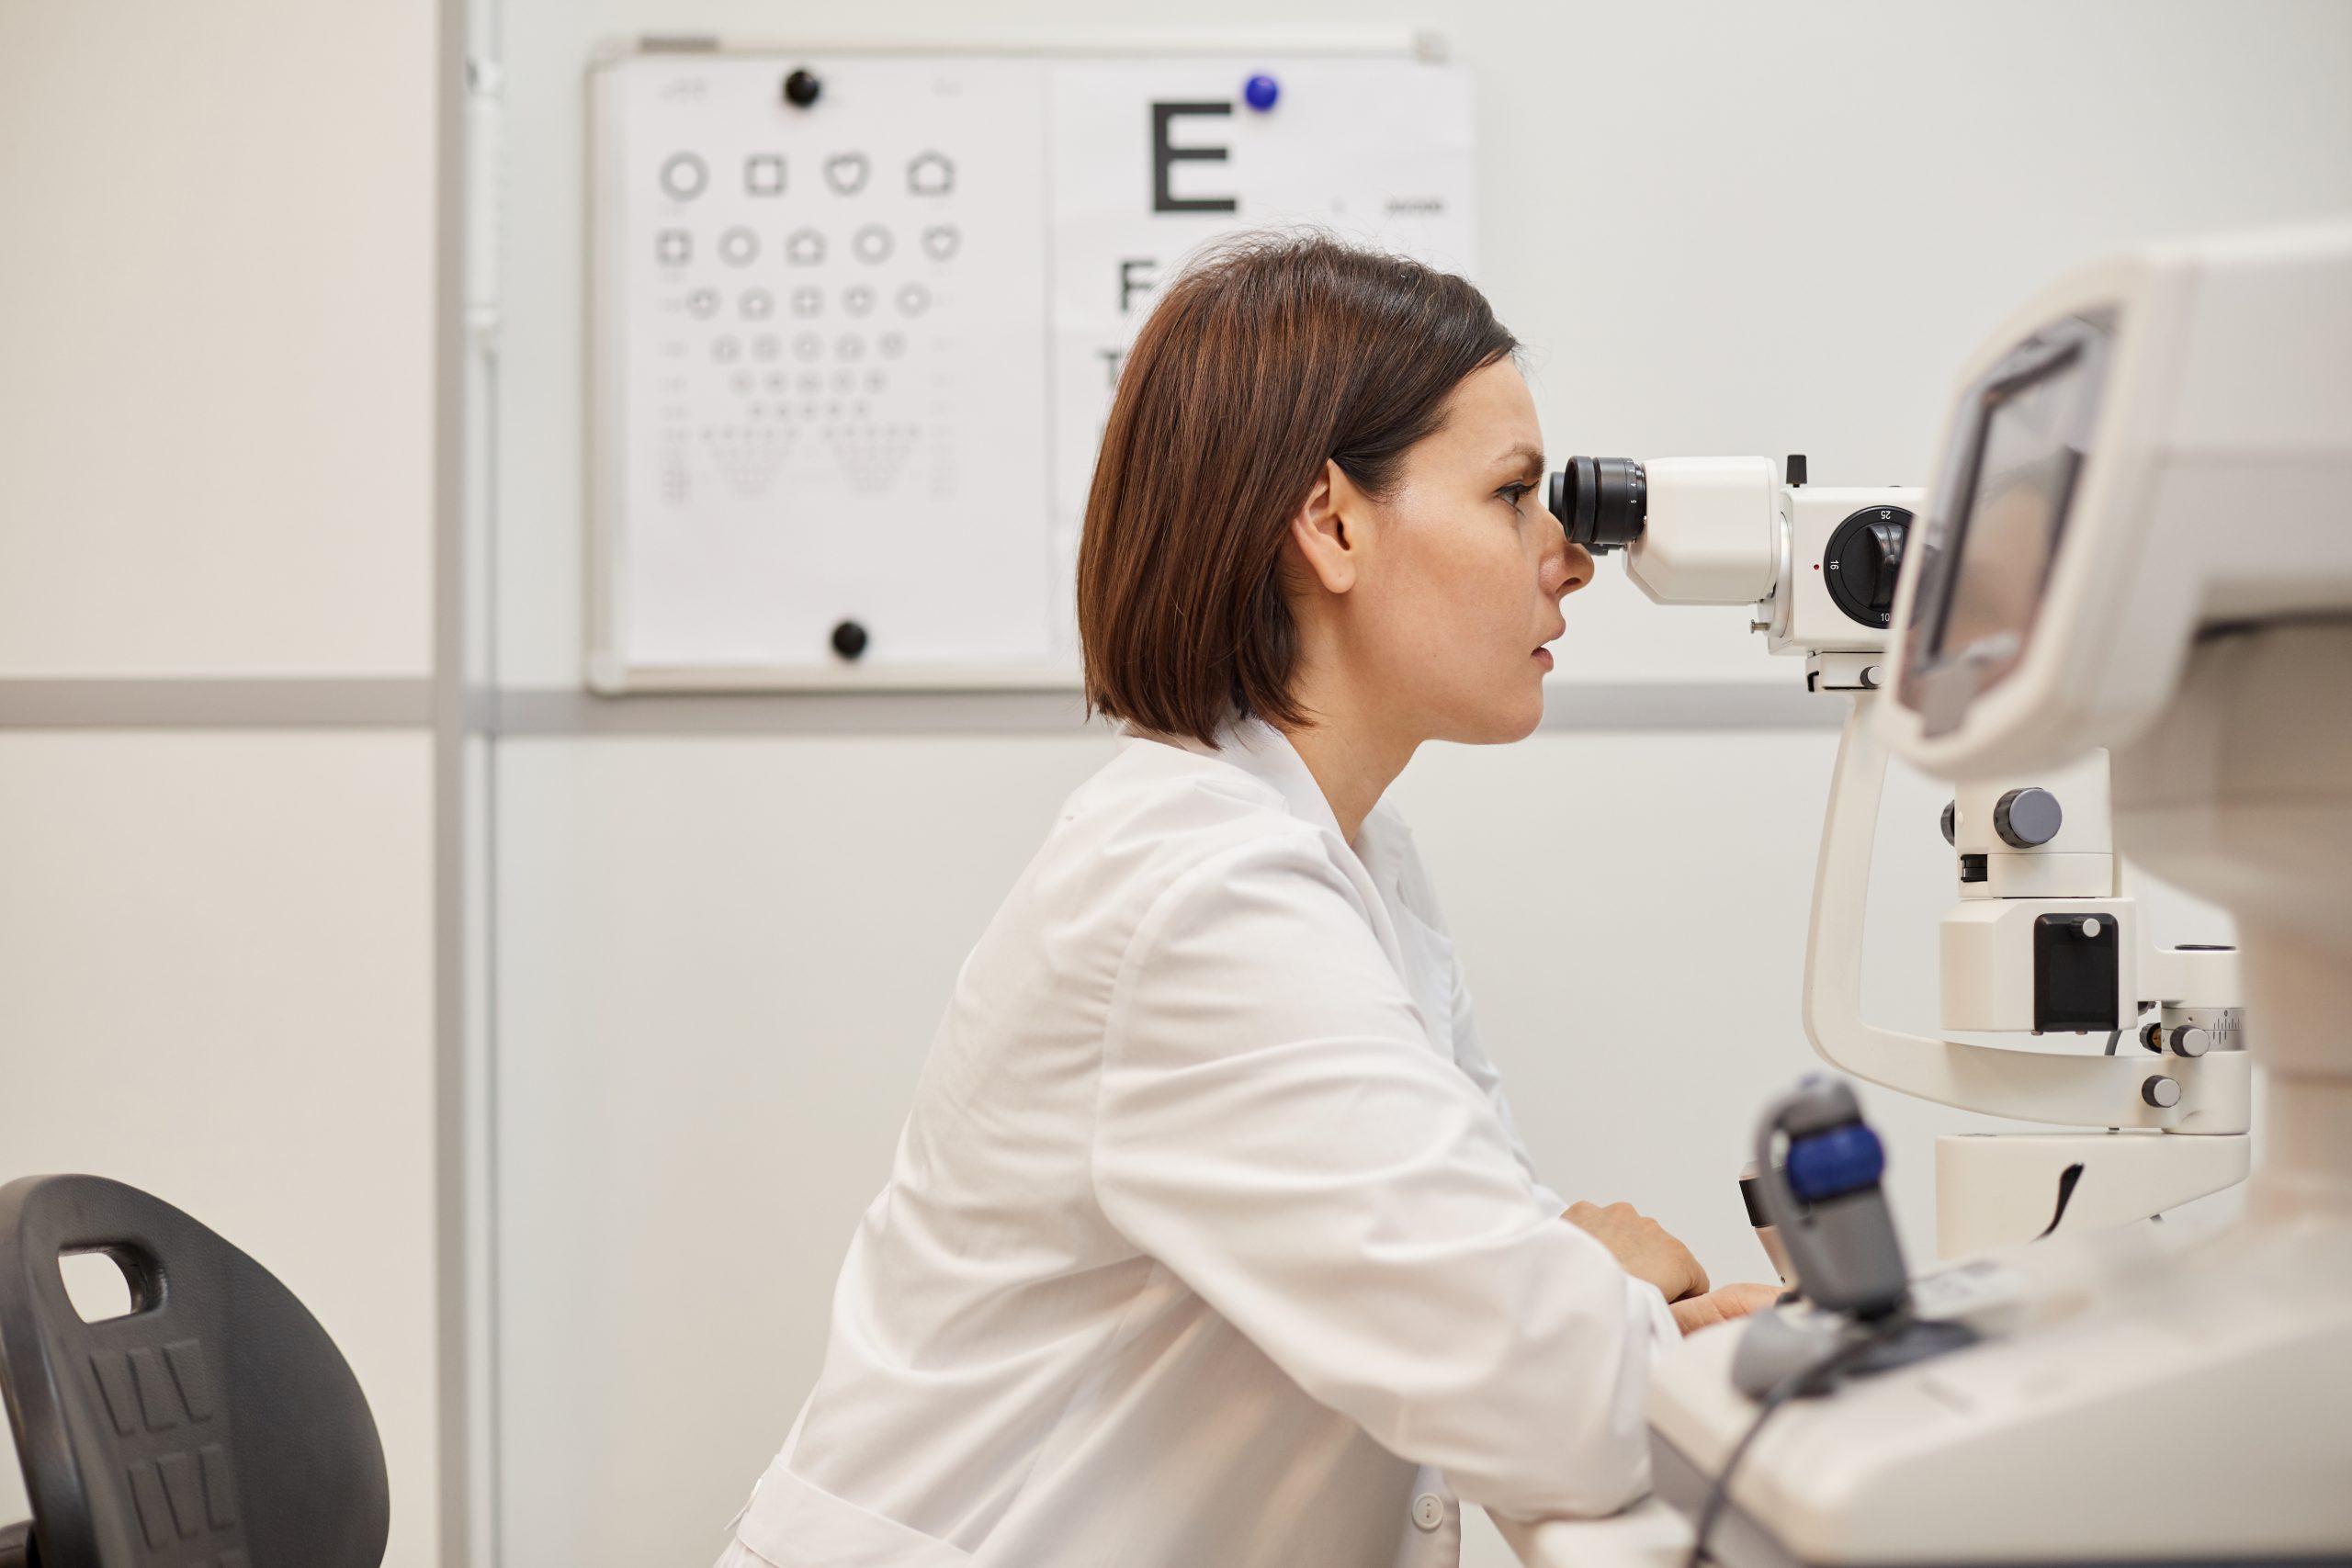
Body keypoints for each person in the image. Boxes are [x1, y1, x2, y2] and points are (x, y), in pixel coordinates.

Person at [716, 233, 1777, 1568]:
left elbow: (1478, 1278)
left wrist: (1609, 1314)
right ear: (1331, 522)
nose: (1568, 554)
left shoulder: (1343, 856)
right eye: (1512, 495)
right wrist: (1602, 1298)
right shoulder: (1204, 898)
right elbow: (1536, 1374)